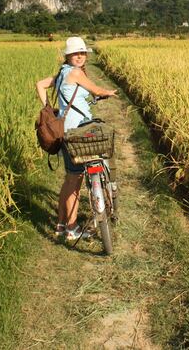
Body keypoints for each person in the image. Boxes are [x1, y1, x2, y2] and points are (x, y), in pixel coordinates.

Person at [36, 36, 117, 240]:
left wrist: (50, 109)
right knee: (76, 181)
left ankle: (61, 224)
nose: (80, 56)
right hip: (78, 131)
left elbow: (40, 84)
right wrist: (108, 92)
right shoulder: (75, 72)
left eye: (82, 53)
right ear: (68, 56)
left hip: (65, 131)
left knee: (70, 179)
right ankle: (72, 228)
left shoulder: (62, 72)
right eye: (75, 54)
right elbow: (96, 90)